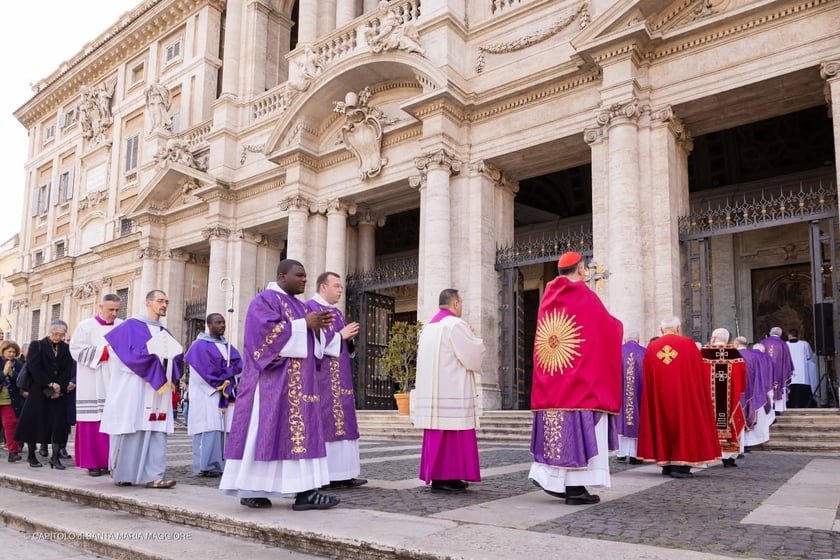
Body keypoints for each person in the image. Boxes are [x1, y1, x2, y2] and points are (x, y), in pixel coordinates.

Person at [220, 259, 339, 510]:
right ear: (282, 276)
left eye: (306, 275)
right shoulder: (264, 301)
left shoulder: (300, 305)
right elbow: (262, 339)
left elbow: (312, 347)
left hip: (302, 383)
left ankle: (306, 490)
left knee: (300, 432)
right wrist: (304, 324)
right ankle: (251, 488)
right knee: (265, 432)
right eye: (300, 275)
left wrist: (318, 330)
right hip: (272, 384)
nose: (305, 279)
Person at [528, 252, 622, 505]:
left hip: (551, 383)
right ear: (580, 270)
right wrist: (618, 327)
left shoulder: (548, 299)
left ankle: (553, 479)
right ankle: (575, 489)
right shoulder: (585, 297)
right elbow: (606, 329)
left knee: (558, 434)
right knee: (579, 433)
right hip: (579, 384)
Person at [101, 290, 183, 489]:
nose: (164, 305)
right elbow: (119, 355)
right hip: (133, 387)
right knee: (132, 427)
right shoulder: (129, 326)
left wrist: (167, 360)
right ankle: (123, 473)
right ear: (148, 302)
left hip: (156, 390)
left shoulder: (165, 332)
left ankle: (154, 475)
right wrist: (151, 362)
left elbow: (177, 357)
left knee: (156, 430)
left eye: (167, 301)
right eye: (160, 301)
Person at [413, 288, 485, 494]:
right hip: (453, 389)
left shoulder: (428, 327)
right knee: (454, 435)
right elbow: (471, 355)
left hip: (434, 393)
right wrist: (474, 338)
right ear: (455, 304)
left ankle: (443, 478)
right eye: (461, 302)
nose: (461, 306)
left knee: (440, 435)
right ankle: (448, 478)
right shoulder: (455, 324)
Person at [637, 316, 720, 478]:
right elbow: (699, 372)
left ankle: (666, 463)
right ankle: (680, 466)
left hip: (659, 397)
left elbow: (647, 376)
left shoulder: (653, 347)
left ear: (661, 330)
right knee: (684, 424)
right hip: (684, 396)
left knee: (663, 424)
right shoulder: (687, 344)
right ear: (678, 329)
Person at [305, 272, 366, 489]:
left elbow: (344, 343)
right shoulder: (310, 309)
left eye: (341, 287)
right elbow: (313, 345)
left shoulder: (338, 313)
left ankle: (345, 473)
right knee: (327, 422)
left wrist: (347, 339)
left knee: (345, 421)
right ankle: (328, 474)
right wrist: (340, 336)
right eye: (337, 286)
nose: (341, 290)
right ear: (323, 287)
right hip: (322, 378)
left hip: (341, 377)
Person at [69, 293, 122, 477]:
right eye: (110, 309)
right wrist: (104, 352)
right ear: (101, 307)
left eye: (117, 310)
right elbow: (75, 349)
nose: (114, 313)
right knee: (92, 421)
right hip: (92, 380)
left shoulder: (123, 326)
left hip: (116, 380)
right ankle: (92, 463)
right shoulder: (86, 326)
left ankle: (112, 462)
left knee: (115, 422)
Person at [184, 313, 242, 478]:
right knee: (209, 427)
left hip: (226, 393)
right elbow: (198, 372)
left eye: (223, 322)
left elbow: (239, 366)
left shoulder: (228, 347)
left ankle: (224, 463)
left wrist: (231, 378)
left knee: (225, 428)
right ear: (209, 325)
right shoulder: (198, 346)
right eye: (218, 322)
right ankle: (206, 465)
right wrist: (220, 383)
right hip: (207, 394)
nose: (222, 325)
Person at [14, 320, 74, 469]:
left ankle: (55, 457)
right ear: (49, 332)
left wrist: (59, 386)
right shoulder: (37, 345)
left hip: (58, 392)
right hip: (38, 390)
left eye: (61, 335)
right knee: (34, 423)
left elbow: (67, 369)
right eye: (55, 334)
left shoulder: (66, 349)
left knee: (58, 424)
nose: (58, 337)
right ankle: (31, 456)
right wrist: (49, 384)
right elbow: (34, 367)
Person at [702, 328, 746, 467]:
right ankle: (729, 458)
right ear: (727, 340)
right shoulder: (734, 353)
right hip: (730, 399)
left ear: (714, 338)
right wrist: (740, 390)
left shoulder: (704, 353)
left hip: (708, 399)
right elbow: (743, 375)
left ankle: (707, 455)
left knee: (707, 422)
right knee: (729, 423)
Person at [734, 338, 775, 448]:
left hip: (738, 392)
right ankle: (749, 442)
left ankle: (741, 446)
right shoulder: (754, 356)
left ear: (736, 344)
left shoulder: (733, 355)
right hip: (753, 390)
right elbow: (760, 374)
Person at [617, 331, 645, 464]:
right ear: (638, 339)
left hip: (620, 394)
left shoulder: (617, 352)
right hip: (640, 394)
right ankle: (636, 454)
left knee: (622, 420)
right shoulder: (644, 352)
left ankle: (621, 453)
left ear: (624, 340)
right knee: (637, 418)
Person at [0, 341, 25, 462]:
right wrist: (4, 372)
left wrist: (11, 372)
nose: (11, 354)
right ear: (3, 351)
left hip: (9, 400)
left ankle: (13, 452)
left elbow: (21, 380)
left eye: (14, 352)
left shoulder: (18, 364)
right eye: (9, 351)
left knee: (10, 425)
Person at [760, 327, 794, 415]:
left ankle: (767, 410)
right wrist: (788, 371)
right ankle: (778, 409)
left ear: (770, 333)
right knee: (779, 385)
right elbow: (787, 362)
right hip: (780, 374)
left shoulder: (763, 342)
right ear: (780, 334)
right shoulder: (783, 344)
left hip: (765, 372)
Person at [786, 329, 818, 408]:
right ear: (798, 335)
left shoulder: (785, 344)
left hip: (790, 371)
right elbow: (809, 356)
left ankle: (791, 404)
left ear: (789, 335)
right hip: (802, 372)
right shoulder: (804, 344)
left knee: (791, 387)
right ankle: (803, 404)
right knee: (802, 387)